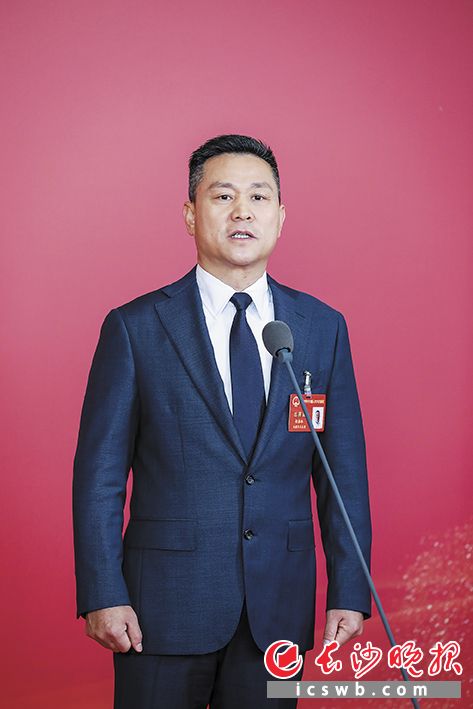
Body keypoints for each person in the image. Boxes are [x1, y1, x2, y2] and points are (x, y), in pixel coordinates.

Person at [73, 134, 372, 708]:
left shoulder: (320, 327)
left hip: (278, 607)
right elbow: (100, 477)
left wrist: (349, 589)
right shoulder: (136, 327)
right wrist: (102, 592)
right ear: (190, 214)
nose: (243, 212)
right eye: (223, 196)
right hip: (160, 611)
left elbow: (343, 475)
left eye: (259, 197)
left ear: (280, 217)